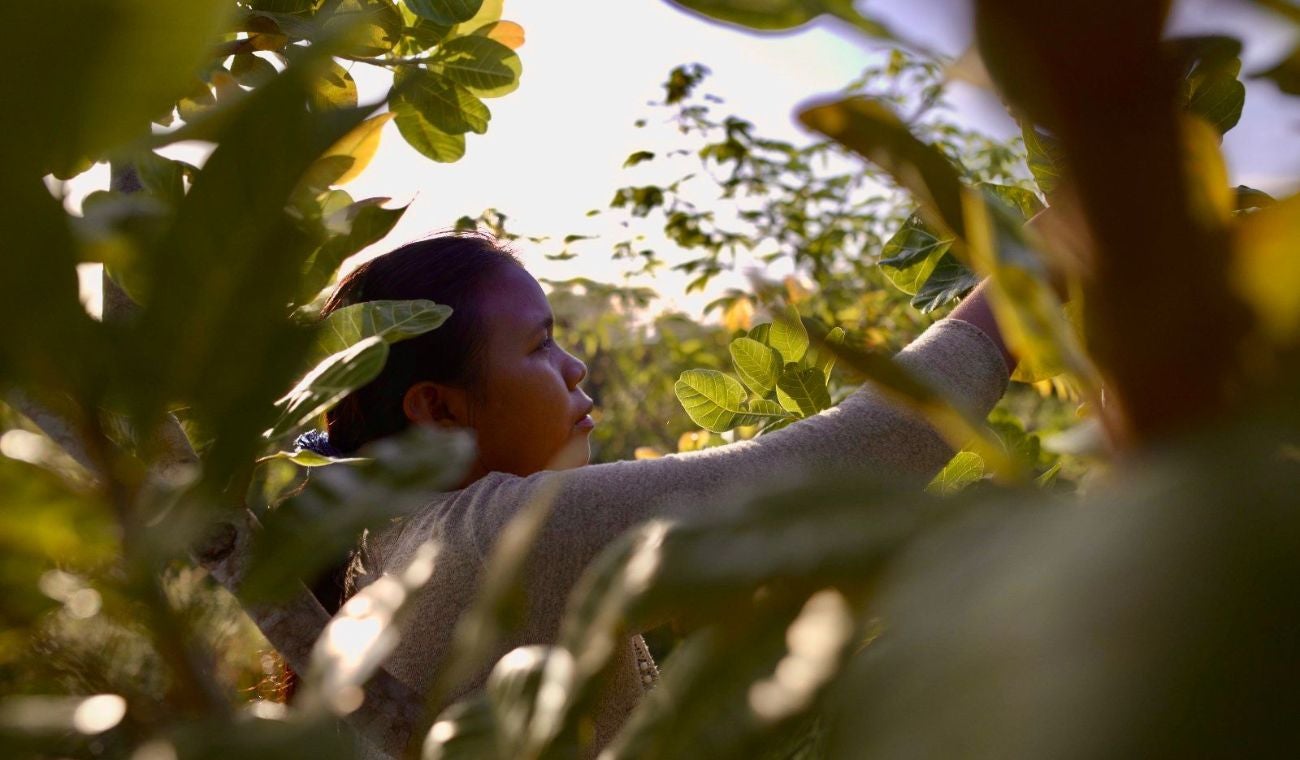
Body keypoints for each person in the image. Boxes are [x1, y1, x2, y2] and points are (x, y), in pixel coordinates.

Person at [306, 232, 1013, 753]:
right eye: (539, 346)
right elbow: (857, 453)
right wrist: (1037, 266)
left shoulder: (396, 550)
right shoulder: (504, 535)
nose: (576, 367)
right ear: (439, 409)